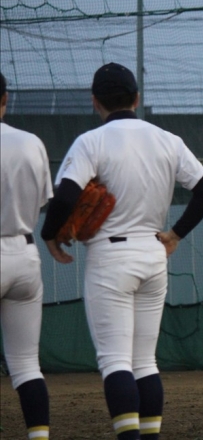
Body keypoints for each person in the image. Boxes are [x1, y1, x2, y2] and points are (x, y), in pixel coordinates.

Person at [40, 62, 203, 440]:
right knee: (145, 362)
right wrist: (176, 235)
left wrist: (49, 234)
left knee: (115, 361)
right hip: (154, 253)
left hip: (111, 257)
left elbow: (65, 197)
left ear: (95, 101)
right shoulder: (167, 139)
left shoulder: (91, 142)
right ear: (137, 98)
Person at [0, 72, 52, 439]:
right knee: (26, 365)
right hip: (24, 253)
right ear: (4, 100)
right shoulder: (31, 142)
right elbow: (45, 200)